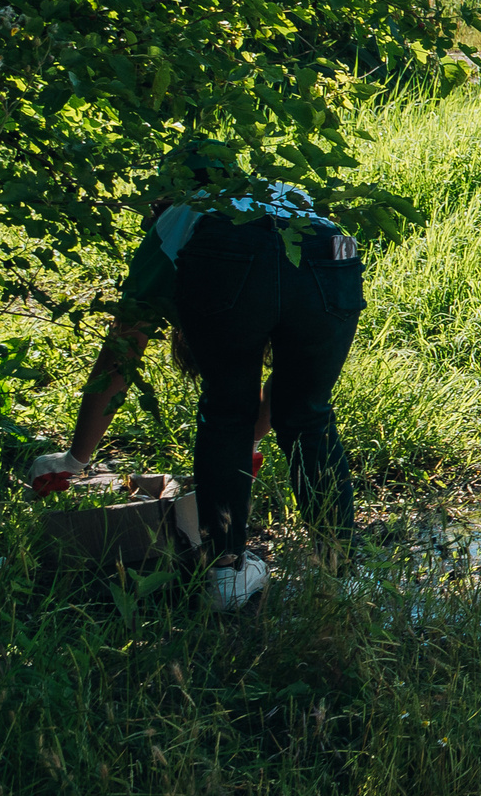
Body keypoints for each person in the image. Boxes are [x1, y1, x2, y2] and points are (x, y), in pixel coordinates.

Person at [31, 148, 367, 608]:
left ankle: (226, 573)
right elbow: (287, 386)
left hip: (231, 255)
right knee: (307, 416)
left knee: (226, 411)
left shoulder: (179, 215)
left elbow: (122, 353)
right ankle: (344, 572)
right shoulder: (284, 198)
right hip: (333, 253)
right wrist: (247, 443)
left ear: (166, 194)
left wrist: (76, 458)